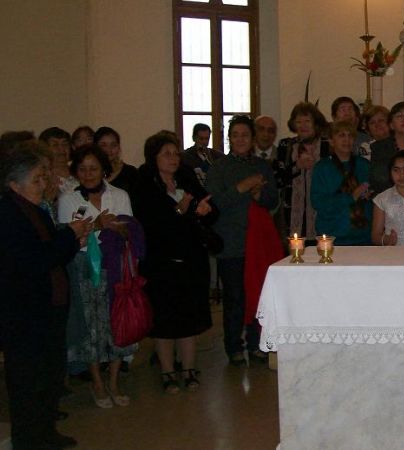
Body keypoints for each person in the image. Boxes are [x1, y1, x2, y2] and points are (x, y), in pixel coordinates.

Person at [1, 143, 91, 450]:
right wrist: (69, 235)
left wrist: (69, 234)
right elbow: (35, 259)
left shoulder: (33, 209)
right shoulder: (9, 214)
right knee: (28, 381)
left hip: (48, 306)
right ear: (15, 184)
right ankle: (30, 439)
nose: (44, 184)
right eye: (38, 179)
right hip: (25, 313)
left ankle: (47, 431)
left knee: (50, 375)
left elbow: (49, 246)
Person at [131, 131, 217, 393]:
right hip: (160, 263)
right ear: (153, 157)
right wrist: (179, 210)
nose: (173, 158)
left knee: (188, 318)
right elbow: (149, 222)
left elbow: (212, 208)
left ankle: (189, 369)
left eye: (176, 153)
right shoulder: (144, 182)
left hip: (190, 260)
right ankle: (168, 372)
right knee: (164, 320)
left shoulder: (187, 177)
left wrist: (205, 211)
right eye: (166, 153)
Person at [57, 144, 139, 409]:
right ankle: (97, 382)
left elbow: (132, 233)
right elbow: (69, 238)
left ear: (103, 169)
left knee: (116, 322)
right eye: (82, 169)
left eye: (93, 168)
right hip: (83, 268)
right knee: (91, 327)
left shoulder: (120, 195)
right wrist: (97, 226)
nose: (88, 174)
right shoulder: (69, 199)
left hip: (115, 265)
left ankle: (114, 380)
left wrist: (120, 229)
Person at [206, 115, 279, 366]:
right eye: (235, 135)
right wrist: (241, 187)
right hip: (232, 242)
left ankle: (258, 343)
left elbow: (274, 201)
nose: (240, 139)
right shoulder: (219, 167)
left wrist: (260, 194)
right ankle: (234, 346)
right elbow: (214, 205)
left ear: (252, 139)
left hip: (259, 242)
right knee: (235, 297)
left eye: (245, 135)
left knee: (260, 295)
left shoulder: (262, 165)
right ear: (229, 138)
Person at [310, 121, 372, 245]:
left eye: (350, 136)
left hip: (363, 236)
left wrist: (369, 196)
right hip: (333, 236)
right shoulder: (322, 168)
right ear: (332, 141)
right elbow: (318, 203)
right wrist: (351, 197)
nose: (346, 140)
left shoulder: (364, 165)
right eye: (341, 135)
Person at [275, 102, 329, 239]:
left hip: (321, 215)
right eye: (298, 122)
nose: (303, 125)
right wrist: (296, 166)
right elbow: (277, 179)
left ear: (315, 123)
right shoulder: (285, 145)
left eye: (307, 121)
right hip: (291, 215)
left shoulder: (327, 145)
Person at [94, 126, 139, 193]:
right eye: (103, 145)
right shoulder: (88, 174)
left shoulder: (130, 173)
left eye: (113, 145)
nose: (109, 149)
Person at [39, 127, 79, 195]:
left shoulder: (80, 171)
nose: (61, 149)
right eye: (55, 145)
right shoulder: (43, 177)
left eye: (65, 144)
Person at [183, 123, 224, 187]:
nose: (204, 142)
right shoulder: (186, 156)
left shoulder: (217, 155)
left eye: (207, 139)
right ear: (194, 138)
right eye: (201, 139)